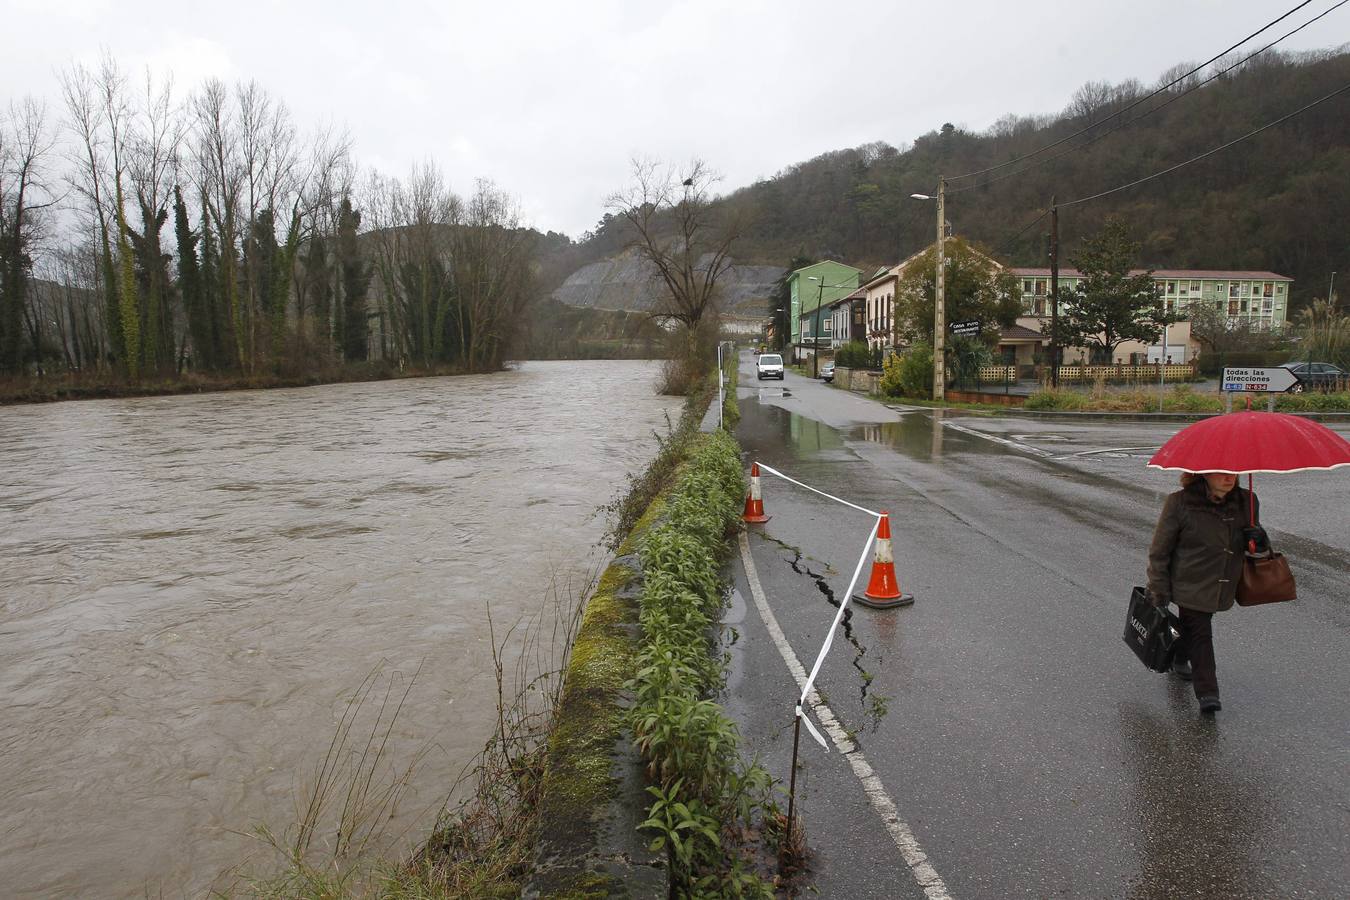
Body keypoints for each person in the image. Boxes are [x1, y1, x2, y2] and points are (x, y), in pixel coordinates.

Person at [1146, 471, 1262, 714]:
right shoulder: (1180, 502)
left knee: (1193, 628)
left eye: (1234, 471)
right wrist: (1158, 589)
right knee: (1200, 632)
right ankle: (1208, 693)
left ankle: (1179, 656)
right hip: (1188, 583)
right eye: (1222, 471)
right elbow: (1160, 551)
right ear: (1203, 473)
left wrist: (1259, 540)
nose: (1230, 477)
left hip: (1222, 584)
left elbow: (1255, 549)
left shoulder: (1247, 501)